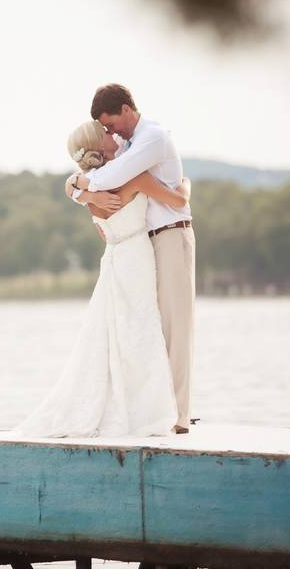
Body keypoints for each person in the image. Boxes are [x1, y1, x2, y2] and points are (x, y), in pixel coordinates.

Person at [12, 120, 189, 437]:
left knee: (113, 332)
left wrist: (81, 193)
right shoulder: (133, 177)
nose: (113, 135)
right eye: (106, 133)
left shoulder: (90, 187)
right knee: (140, 330)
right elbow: (177, 201)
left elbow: (79, 196)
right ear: (100, 144)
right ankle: (147, 410)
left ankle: (123, 405)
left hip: (114, 258)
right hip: (136, 255)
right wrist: (186, 184)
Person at [68, 84, 196, 435]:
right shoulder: (126, 144)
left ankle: (179, 416)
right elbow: (102, 177)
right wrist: (75, 186)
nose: (112, 134)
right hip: (140, 246)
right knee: (148, 331)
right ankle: (154, 411)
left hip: (169, 234)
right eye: (105, 131)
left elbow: (111, 177)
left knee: (175, 326)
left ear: (126, 109)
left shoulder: (150, 138)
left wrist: (80, 185)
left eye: (111, 125)